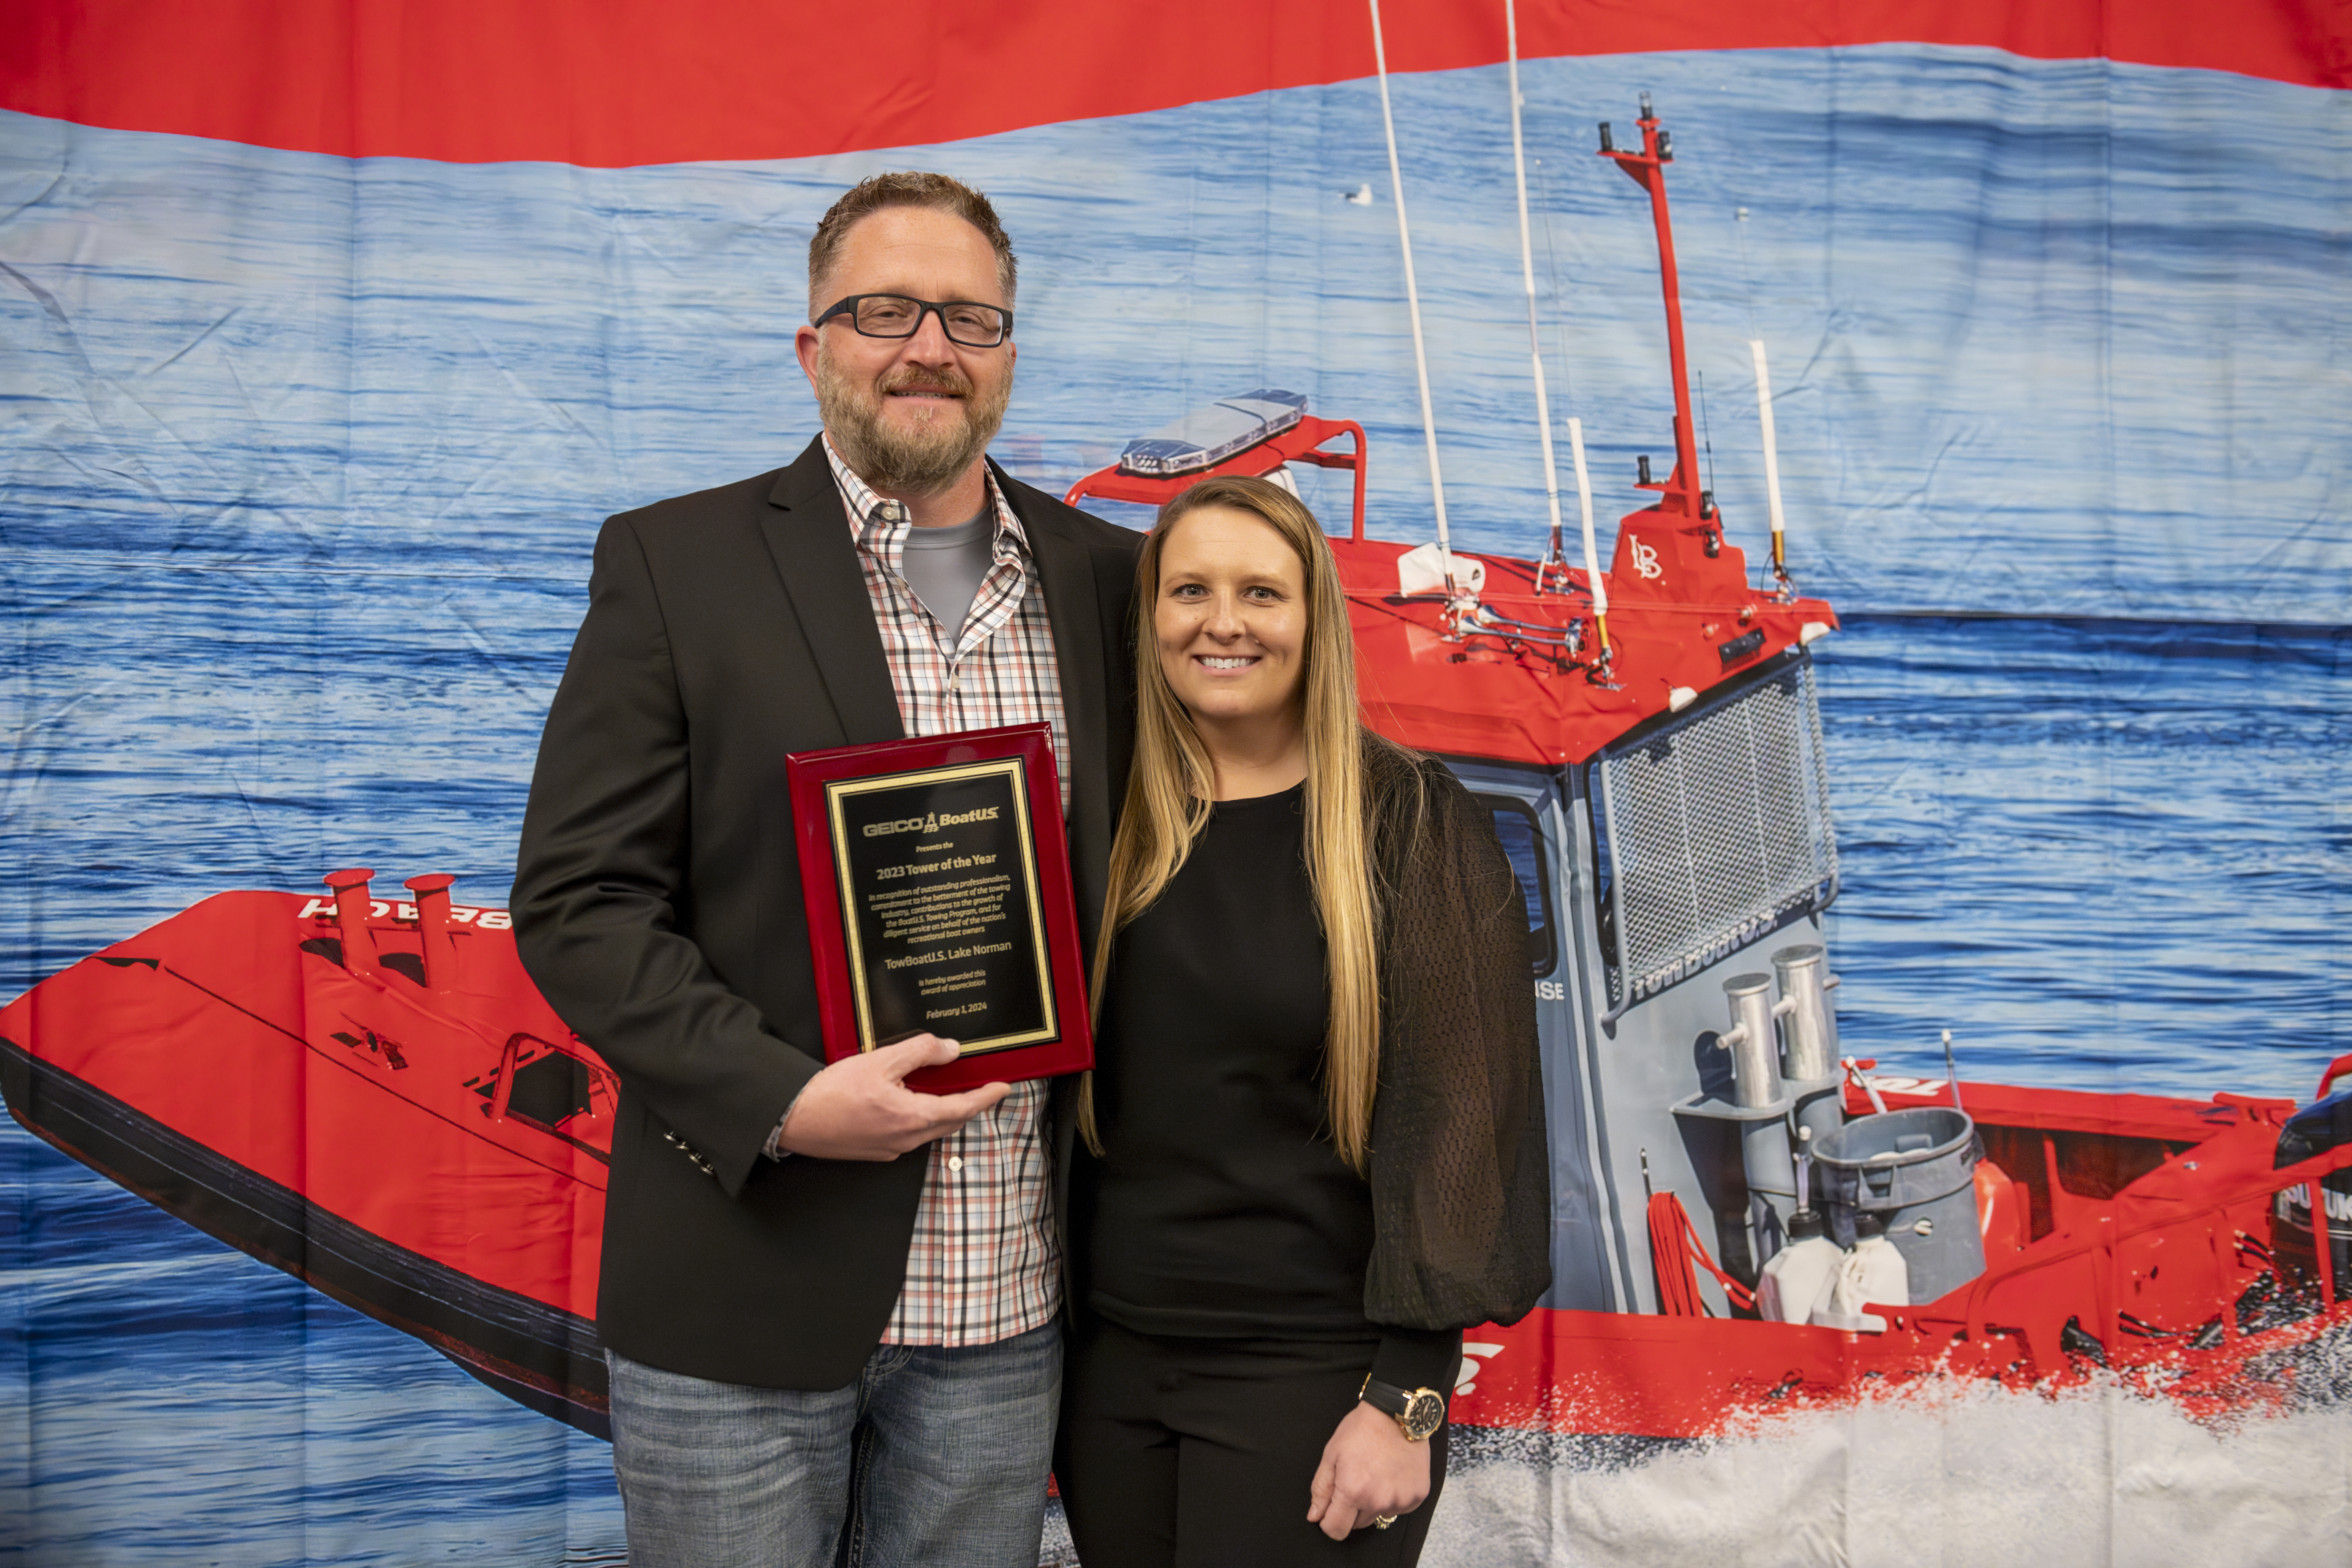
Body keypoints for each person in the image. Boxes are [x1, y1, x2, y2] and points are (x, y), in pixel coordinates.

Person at [511, 171, 1143, 1568]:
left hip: (1009, 1314)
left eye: (970, 316)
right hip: (742, 1294)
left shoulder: (1109, 582)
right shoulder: (677, 565)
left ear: (1011, 350)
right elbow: (580, 905)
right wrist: (785, 1100)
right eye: (885, 309)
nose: (931, 345)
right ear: (814, 346)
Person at [1055, 475, 1551, 1565]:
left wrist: (1410, 1398)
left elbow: (1465, 1122)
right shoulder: (1101, 819)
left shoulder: (1408, 822)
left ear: (1313, 617)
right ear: (1150, 619)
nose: (1221, 622)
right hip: (1111, 1376)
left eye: (1259, 593)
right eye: (1188, 589)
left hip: (1316, 1380)